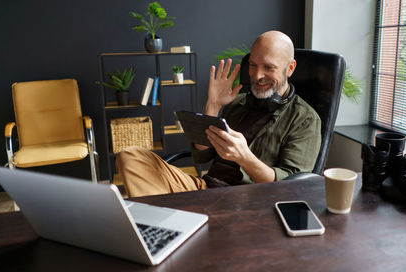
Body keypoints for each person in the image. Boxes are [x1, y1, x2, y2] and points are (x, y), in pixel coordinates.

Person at [116, 30, 321, 197]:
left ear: (290, 68)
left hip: (246, 201)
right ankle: (174, 221)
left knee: (152, 200)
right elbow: (202, 154)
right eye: (253, 65)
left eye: (269, 68)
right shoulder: (239, 103)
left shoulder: (305, 120)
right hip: (205, 189)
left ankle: (169, 221)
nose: (257, 75)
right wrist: (212, 106)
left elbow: (292, 188)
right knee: (130, 156)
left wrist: (245, 158)